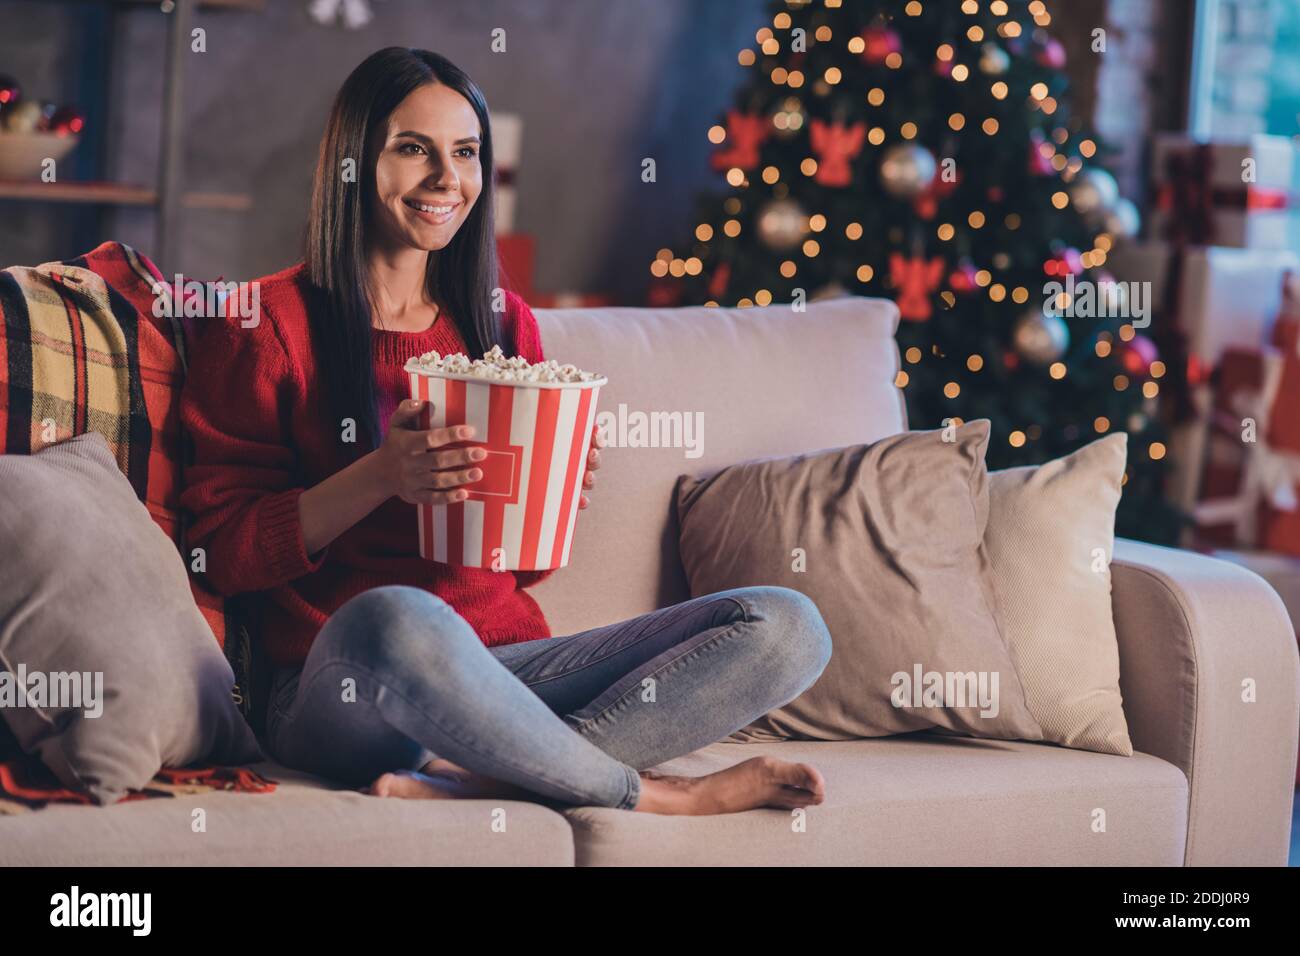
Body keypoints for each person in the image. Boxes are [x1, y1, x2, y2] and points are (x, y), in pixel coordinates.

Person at [179, 47, 833, 815]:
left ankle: (487, 778)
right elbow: (219, 551)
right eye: (413, 149)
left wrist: (542, 494)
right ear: (354, 161)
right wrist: (382, 475)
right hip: (346, 684)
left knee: (787, 625)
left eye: (464, 153)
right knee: (399, 614)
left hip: (507, 670)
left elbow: (515, 578)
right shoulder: (266, 328)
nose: (445, 179)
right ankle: (649, 795)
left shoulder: (498, 324)